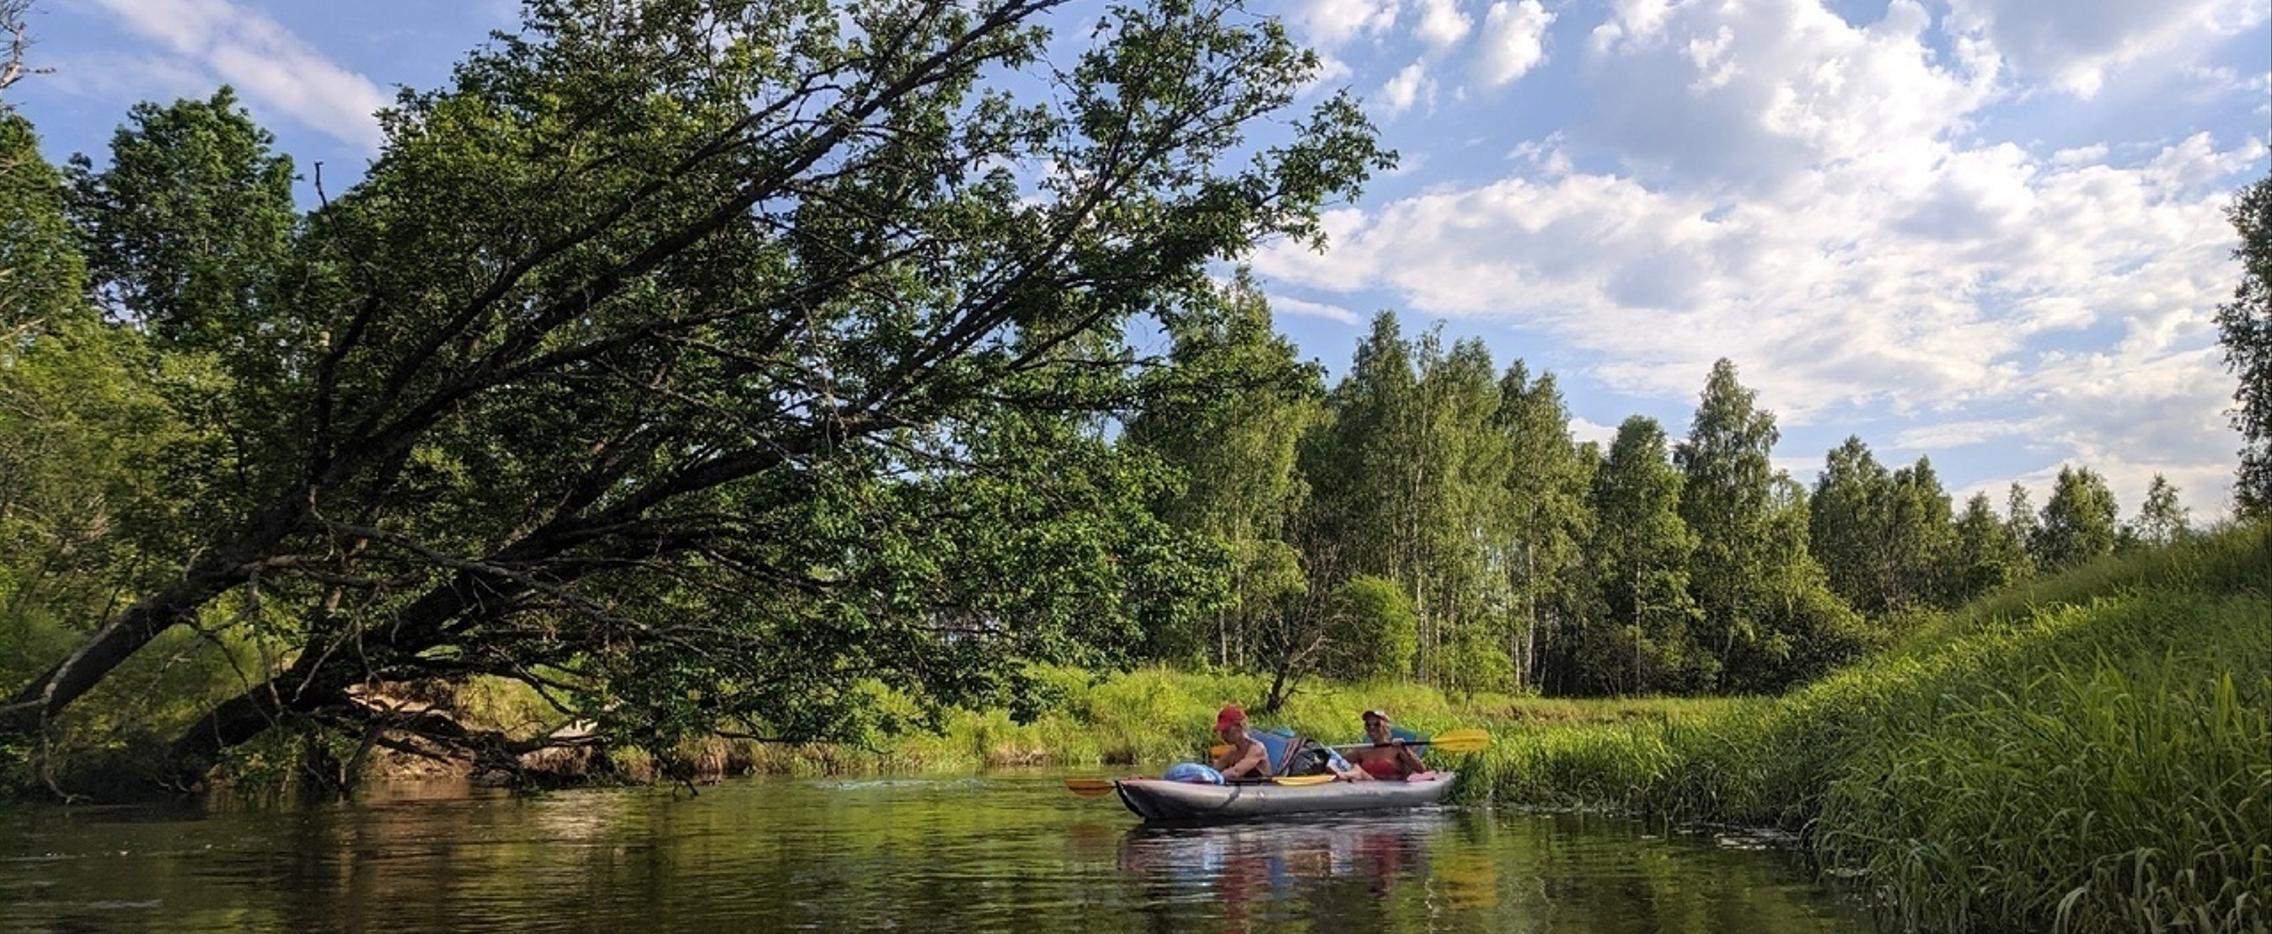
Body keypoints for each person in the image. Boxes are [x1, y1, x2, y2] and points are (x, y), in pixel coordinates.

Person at [1341, 709, 1427, 781]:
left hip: (1393, 791)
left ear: (1385, 727)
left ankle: (1348, 775)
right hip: (1368, 790)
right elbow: (1339, 760)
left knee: (1358, 771)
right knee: (1355, 768)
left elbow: (1421, 769)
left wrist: (1405, 749)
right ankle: (1343, 775)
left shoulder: (1396, 749)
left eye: (1377, 724)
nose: (1372, 728)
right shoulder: (1361, 750)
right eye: (1368, 724)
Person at [1210, 704, 1271, 780]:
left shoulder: (1257, 749)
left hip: (1262, 790)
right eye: (1222, 732)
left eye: (1226, 731)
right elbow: (1214, 769)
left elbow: (1236, 772)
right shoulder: (1233, 752)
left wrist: (1215, 778)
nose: (1223, 735)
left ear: (1239, 727)